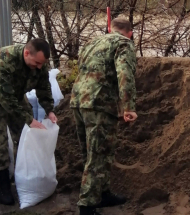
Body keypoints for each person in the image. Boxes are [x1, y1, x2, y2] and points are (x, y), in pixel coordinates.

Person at [0, 38, 58, 205]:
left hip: (17, 97)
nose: (39, 67)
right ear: (27, 53)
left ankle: (25, 173)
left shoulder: (39, 63)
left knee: (27, 135)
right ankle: (3, 185)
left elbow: (44, 87)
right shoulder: (3, 61)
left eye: (42, 64)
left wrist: (49, 110)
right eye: (36, 63)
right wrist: (29, 119)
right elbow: (4, 98)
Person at [70, 17, 138, 215]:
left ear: (110, 28)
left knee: (92, 154)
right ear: (130, 33)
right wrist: (128, 106)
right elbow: (125, 72)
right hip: (99, 104)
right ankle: (87, 206)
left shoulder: (92, 43)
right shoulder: (124, 43)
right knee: (98, 155)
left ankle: (102, 193)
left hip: (78, 102)